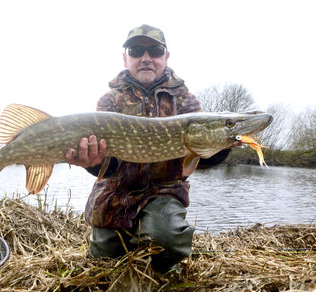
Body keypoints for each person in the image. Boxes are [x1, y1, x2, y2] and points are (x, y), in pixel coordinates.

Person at [65, 24, 230, 273]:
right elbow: (107, 166)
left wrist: (224, 142)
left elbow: (200, 155)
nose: (146, 58)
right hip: (114, 194)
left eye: (154, 50)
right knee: (104, 267)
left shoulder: (185, 100)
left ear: (165, 56)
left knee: (165, 241)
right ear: (125, 58)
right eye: (136, 50)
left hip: (165, 192)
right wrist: (93, 163)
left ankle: (161, 260)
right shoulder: (110, 100)